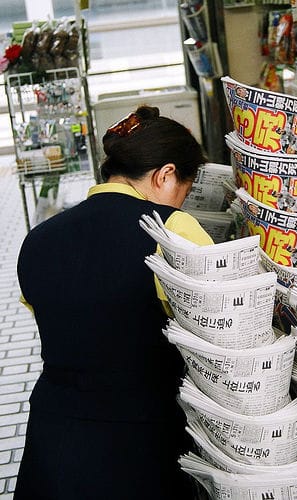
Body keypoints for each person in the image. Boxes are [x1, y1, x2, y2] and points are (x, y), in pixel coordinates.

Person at [14, 105, 214, 499]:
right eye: (183, 192)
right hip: (143, 442)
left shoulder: (38, 240)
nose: (180, 204)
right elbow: (217, 327)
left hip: (55, 438)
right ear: (165, 174)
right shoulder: (171, 229)